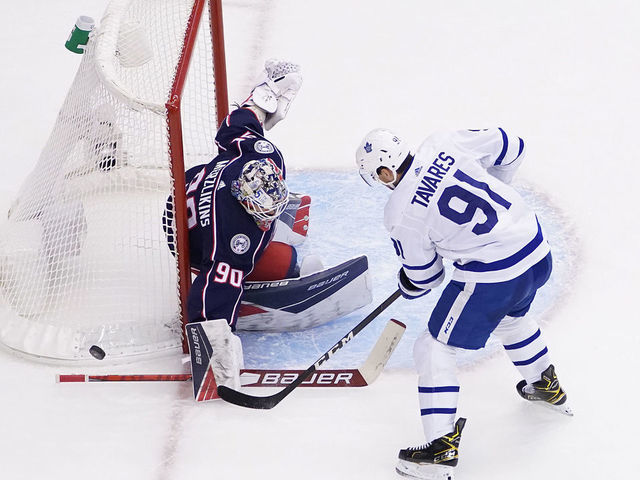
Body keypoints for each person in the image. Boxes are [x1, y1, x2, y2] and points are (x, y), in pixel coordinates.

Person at [355, 127, 572, 480]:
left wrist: (407, 282)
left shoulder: (399, 213)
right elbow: (511, 144)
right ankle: (545, 383)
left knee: (433, 348)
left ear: (384, 172)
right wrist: (499, 189)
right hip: (535, 247)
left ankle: (440, 451)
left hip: (495, 272)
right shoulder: (444, 143)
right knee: (510, 319)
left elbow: (426, 278)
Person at [168, 59, 303, 401]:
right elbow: (215, 288)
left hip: (190, 197)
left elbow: (234, 126)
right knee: (287, 265)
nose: (266, 215)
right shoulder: (235, 240)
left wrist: (262, 103)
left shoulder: (258, 155)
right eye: (262, 210)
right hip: (190, 239)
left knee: (293, 212)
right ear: (246, 202)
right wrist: (216, 355)